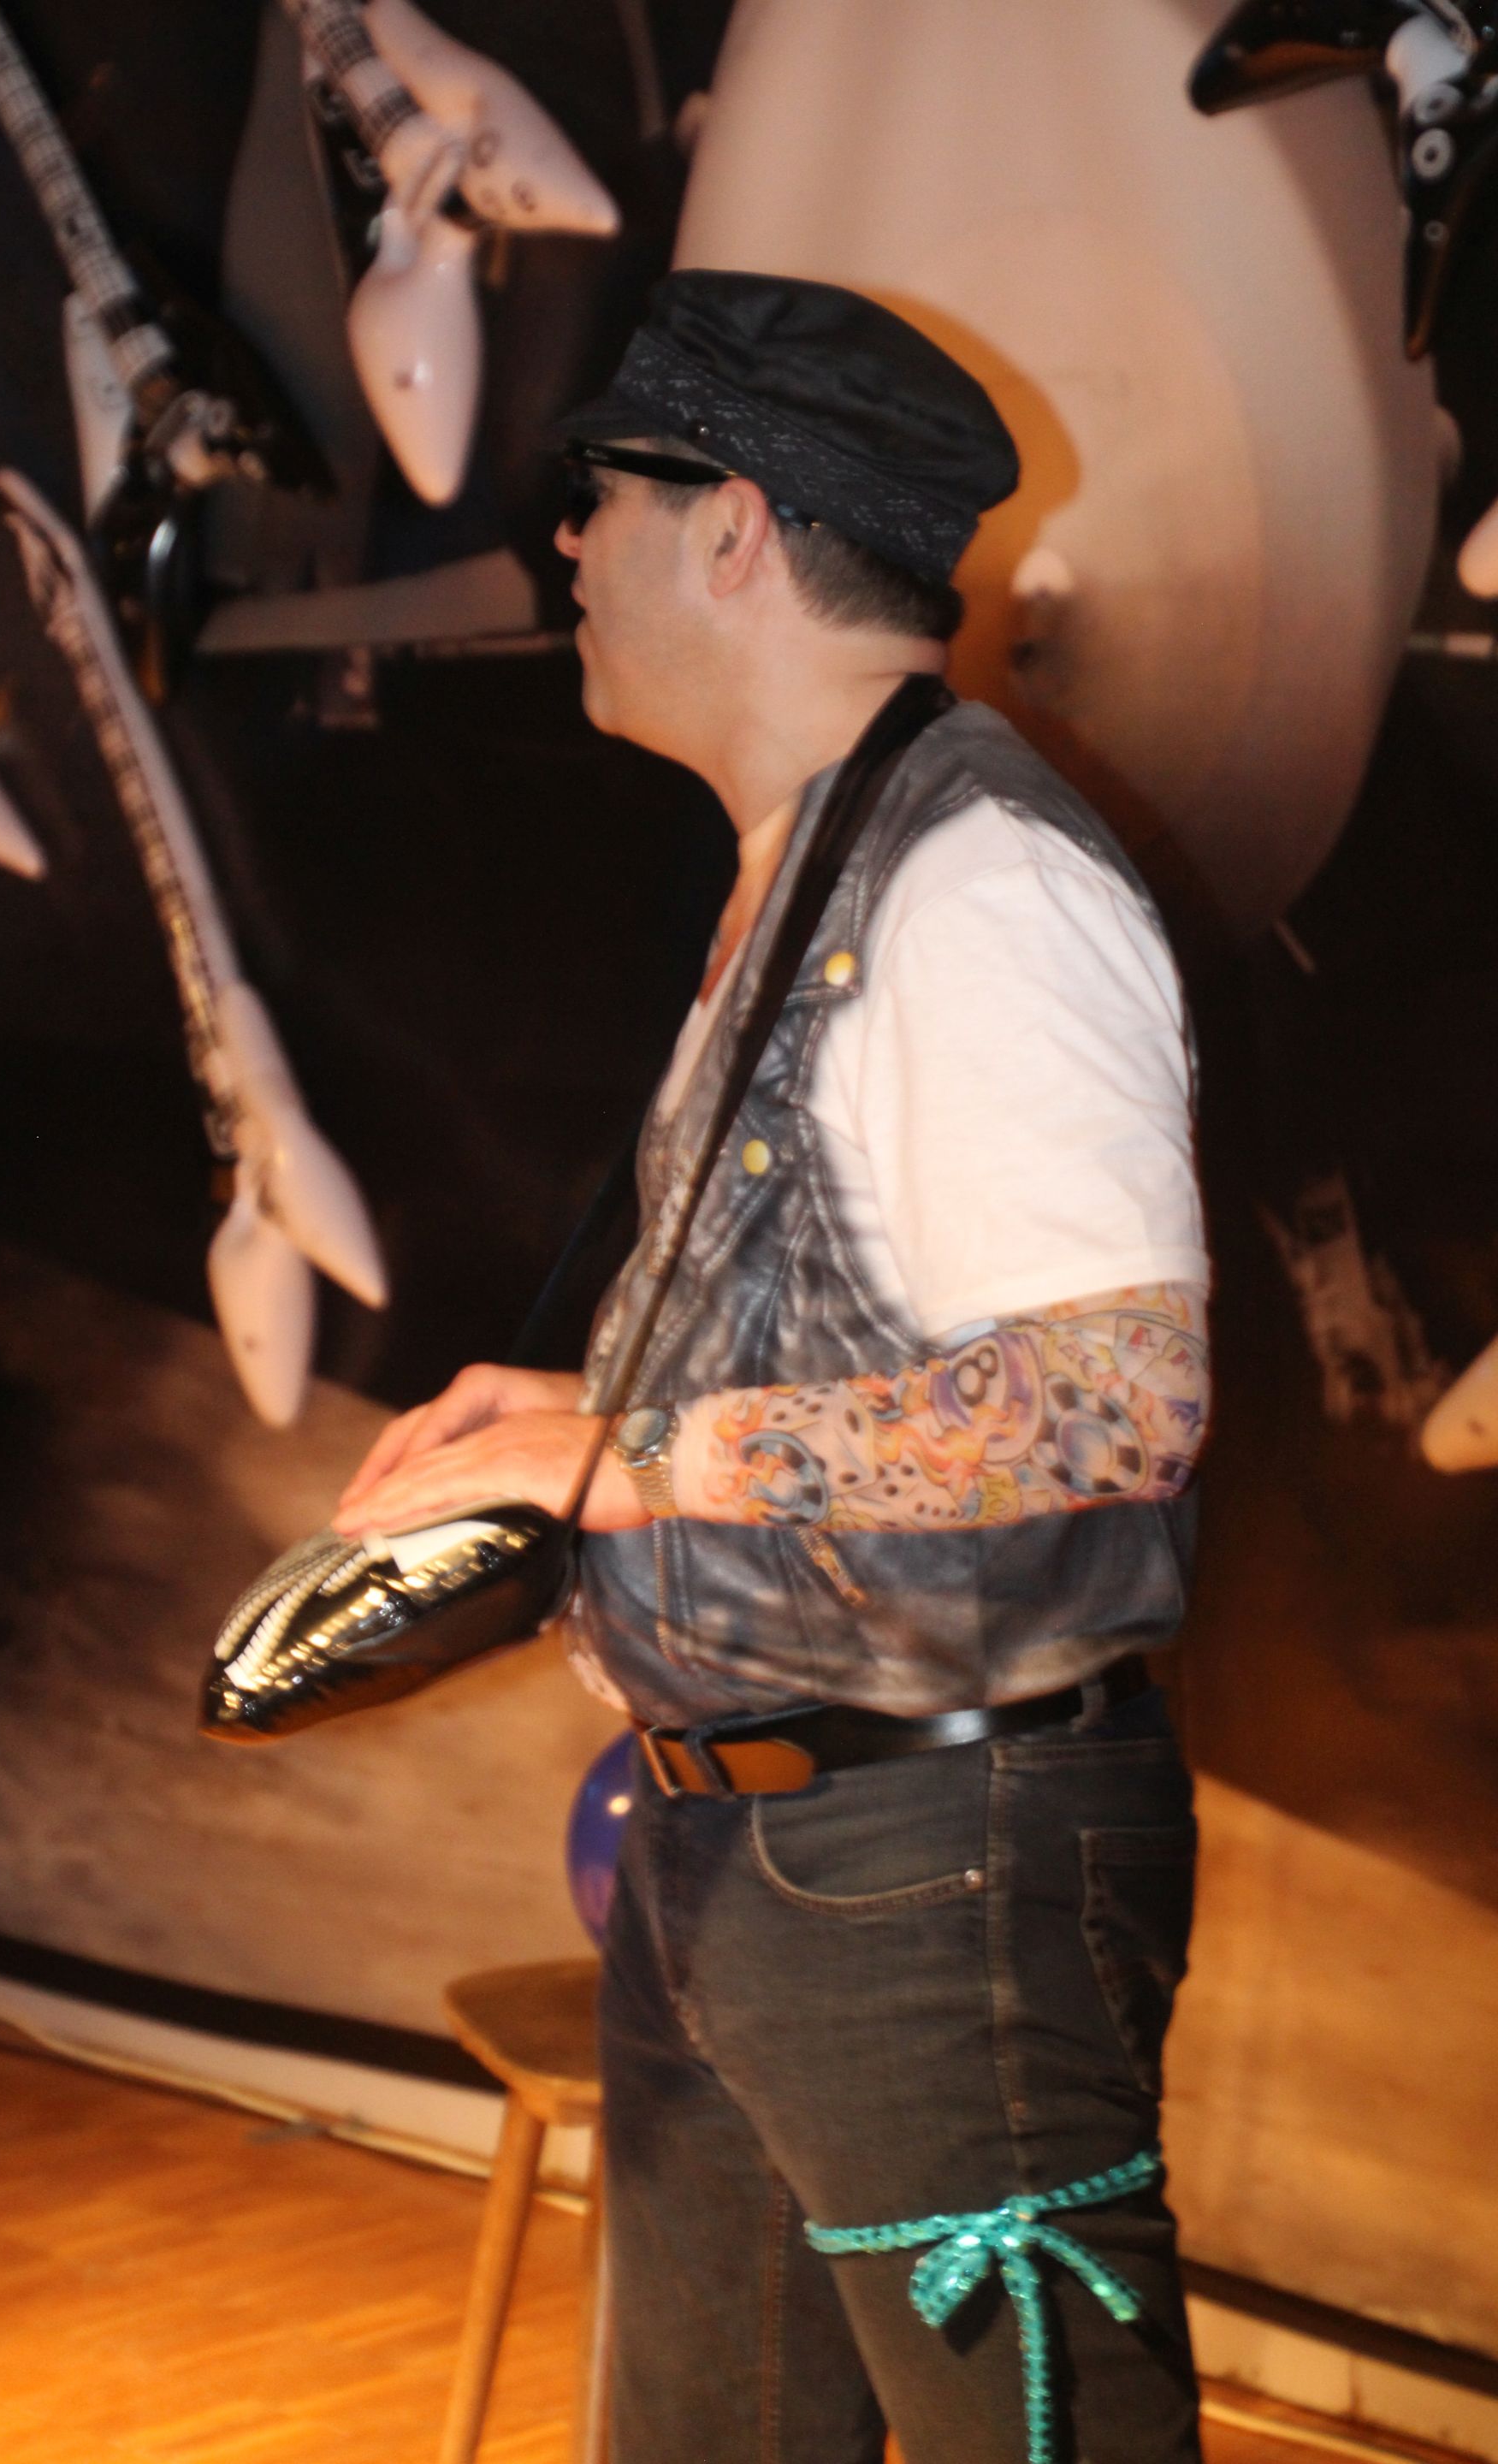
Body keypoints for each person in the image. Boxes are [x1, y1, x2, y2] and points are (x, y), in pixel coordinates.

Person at [334, 271, 1211, 2464]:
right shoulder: (817, 859)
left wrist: (623, 1462)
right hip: (760, 1850)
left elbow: (1116, 1402)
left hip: (936, 1869)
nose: (565, 543)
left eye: (598, 493)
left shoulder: (980, 886)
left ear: (731, 525)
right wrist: (568, 1423)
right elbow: (857, 1329)